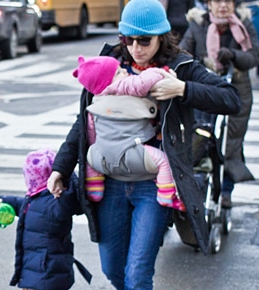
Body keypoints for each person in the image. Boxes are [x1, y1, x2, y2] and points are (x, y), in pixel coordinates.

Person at [46, 0, 241, 290]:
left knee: (137, 275)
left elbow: (231, 99)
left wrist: (183, 88)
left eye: (144, 41)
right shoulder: (109, 62)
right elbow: (85, 122)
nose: (135, 48)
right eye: (128, 40)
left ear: (161, 37)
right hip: (108, 182)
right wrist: (60, 168)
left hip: (153, 185)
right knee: (113, 268)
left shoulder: (180, 66)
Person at [72, 55, 185, 211]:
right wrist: (161, 72)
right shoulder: (129, 88)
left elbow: (91, 134)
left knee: (90, 154)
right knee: (163, 161)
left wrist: (97, 147)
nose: (124, 72)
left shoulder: (95, 103)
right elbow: (144, 81)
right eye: (118, 72)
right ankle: (166, 194)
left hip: (102, 158)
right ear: (106, 83)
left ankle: (94, 186)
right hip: (134, 153)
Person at [0, 148, 90, 290]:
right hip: (36, 262)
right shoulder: (35, 198)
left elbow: (71, 200)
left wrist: (67, 176)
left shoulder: (59, 201)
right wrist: (7, 200)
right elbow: (25, 207)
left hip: (49, 261)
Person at [180, 0, 259, 208]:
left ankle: (226, 191)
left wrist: (234, 55)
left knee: (231, 142)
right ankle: (201, 185)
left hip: (237, 87)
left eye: (228, 1)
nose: (223, 6)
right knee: (202, 136)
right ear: (209, 4)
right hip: (206, 89)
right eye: (217, 1)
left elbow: (254, 56)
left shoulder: (244, 23)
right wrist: (198, 65)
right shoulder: (198, 23)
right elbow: (182, 53)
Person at [242, 0, 259, 81]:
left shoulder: (242, 12)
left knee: (244, 56)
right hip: (258, 37)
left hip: (245, 39)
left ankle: (246, 74)